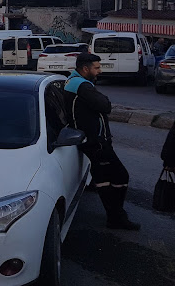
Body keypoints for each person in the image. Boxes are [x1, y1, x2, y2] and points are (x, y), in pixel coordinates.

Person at [64, 53, 140, 230]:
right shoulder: (81, 85)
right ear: (85, 69)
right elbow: (105, 105)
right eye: (96, 68)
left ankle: (114, 216)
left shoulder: (74, 82)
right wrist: (103, 98)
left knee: (103, 177)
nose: (100, 71)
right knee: (121, 175)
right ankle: (116, 217)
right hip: (96, 142)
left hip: (93, 140)